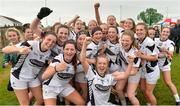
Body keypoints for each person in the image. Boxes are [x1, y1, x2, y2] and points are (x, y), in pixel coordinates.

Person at [2, 31, 57, 105]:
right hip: (18, 77)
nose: (50, 43)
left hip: (33, 78)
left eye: (53, 42)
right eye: (48, 39)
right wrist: (19, 50)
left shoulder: (50, 54)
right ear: (43, 38)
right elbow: (5, 49)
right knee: (25, 104)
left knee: (41, 100)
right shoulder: (30, 44)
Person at [79, 36, 134, 105]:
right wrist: (85, 44)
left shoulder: (110, 77)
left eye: (104, 64)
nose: (102, 65)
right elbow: (82, 60)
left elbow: (125, 75)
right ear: (96, 64)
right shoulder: (91, 74)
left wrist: (131, 63)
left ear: (107, 66)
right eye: (100, 63)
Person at [41, 40, 85, 105]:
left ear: (75, 51)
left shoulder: (76, 62)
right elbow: (43, 77)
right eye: (67, 49)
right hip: (50, 87)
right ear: (63, 50)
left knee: (81, 103)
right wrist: (56, 68)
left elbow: (84, 62)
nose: (69, 52)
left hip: (63, 86)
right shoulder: (58, 60)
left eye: (72, 49)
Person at [135, 22, 160, 105]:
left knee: (149, 92)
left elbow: (155, 57)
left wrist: (141, 56)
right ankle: (149, 103)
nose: (139, 32)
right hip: (143, 69)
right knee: (142, 89)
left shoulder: (149, 42)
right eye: (137, 30)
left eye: (141, 29)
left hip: (151, 70)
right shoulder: (138, 40)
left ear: (145, 31)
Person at [155, 27, 180, 105]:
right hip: (154, 64)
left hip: (165, 64)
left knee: (168, 82)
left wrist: (165, 50)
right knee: (150, 81)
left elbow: (171, 53)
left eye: (167, 32)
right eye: (164, 31)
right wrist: (163, 54)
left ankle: (178, 100)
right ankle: (150, 99)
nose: (165, 33)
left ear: (169, 34)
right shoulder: (155, 40)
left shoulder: (170, 42)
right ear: (161, 32)